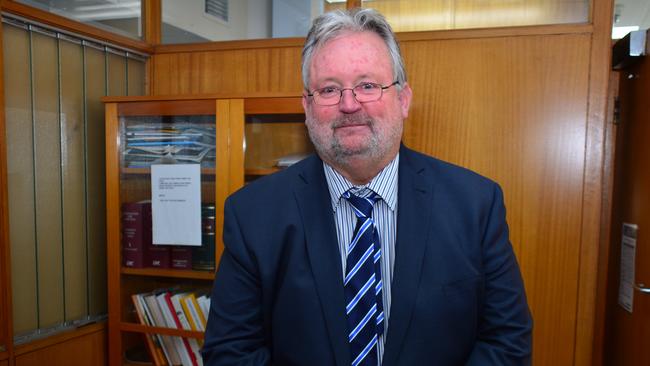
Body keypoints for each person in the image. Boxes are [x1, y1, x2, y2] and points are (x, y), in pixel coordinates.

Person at [202, 8, 532, 366]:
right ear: (307, 108)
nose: (348, 103)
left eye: (368, 85)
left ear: (403, 100)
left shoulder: (476, 205)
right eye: (329, 89)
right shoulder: (253, 215)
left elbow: (507, 343)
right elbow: (230, 353)